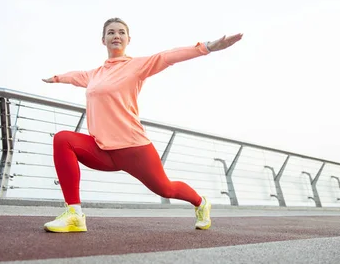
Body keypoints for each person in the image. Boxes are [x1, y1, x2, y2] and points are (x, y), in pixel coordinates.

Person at [42, 17, 243, 232]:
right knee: (63, 139)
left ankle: (201, 203)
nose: (116, 36)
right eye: (111, 33)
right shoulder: (94, 75)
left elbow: (167, 57)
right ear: (103, 40)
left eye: (121, 32)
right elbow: (75, 76)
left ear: (128, 39)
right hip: (102, 149)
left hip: (133, 148)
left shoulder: (136, 66)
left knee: (166, 189)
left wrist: (208, 47)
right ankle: (74, 214)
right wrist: (57, 78)